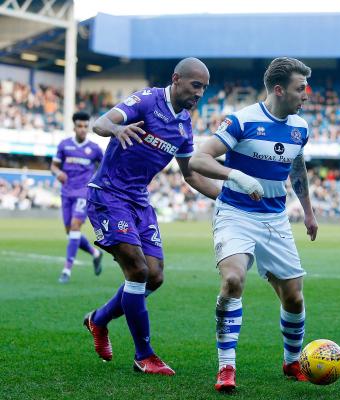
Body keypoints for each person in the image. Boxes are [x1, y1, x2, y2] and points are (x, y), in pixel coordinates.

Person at [82, 58, 220, 375]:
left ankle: (98, 320)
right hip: (109, 194)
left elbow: (191, 175)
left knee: (154, 276)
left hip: (139, 202)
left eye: (204, 89)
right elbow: (100, 123)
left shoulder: (184, 126)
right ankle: (144, 355)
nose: (199, 93)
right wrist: (117, 129)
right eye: (195, 85)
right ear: (176, 79)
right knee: (137, 269)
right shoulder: (147, 100)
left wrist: (227, 196)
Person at [189, 57, 318, 392]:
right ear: (279, 89)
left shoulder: (300, 127)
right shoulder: (243, 121)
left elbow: (297, 168)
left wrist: (308, 211)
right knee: (233, 279)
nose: (306, 95)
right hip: (235, 213)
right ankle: (226, 367)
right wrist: (237, 176)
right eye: (300, 88)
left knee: (294, 298)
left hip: (275, 219)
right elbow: (198, 159)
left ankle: (292, 361)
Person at [51, 112, 104, 283]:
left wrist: (96, 182)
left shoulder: (95, 149)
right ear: (74, 127)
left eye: (85, 126)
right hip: (66, 193)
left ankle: (67, 270)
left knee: (75, 227)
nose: (82, 129)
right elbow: (54, 166)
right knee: (70, 232)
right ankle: (95, 253)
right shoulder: (64, 145)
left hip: (84, 192)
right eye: (79, 126)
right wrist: (58, 173)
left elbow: (105, 168)